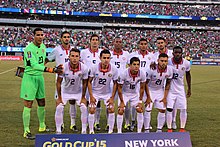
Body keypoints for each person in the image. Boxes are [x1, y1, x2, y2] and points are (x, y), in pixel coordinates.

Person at [20, 28, 63, 139]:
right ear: (33, 36)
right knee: (28, 103)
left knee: (42, 102)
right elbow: (33, 65)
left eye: (41, 35)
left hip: (39, 78)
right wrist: (50, 70)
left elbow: (43, 61)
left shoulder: (43, 47)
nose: (40, 37)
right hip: (30, 78)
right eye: (38, 35)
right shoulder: (28, 49)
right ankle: (26, 131)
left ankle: (42, 126)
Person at [46, 31, 78, 132]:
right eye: (64, 37)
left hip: (73, 80)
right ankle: (61, 124)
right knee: (60, 102)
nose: (66, 39)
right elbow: (47, 59)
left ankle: (73, 124)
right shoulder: (56, 50)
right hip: (60, 80)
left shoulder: (73, 50)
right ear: (61, 39)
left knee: (72, 101)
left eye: (68, 37)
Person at [55, 48, 88, 134]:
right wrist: (59, 97)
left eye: (76, 56)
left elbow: (85, 83)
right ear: (69, 57)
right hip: (65, 91)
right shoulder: (63, 67)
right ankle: (58, 130)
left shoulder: (84, 68)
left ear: (79, 57)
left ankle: (84, 130)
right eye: (72, 56)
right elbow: (58, 83)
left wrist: (83, 97)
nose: (74, 58)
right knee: (59, 107)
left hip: (78, 92)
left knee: (84, 108)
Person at [88, 49, 118, 134]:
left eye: (108, 58)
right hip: (95, 93)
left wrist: (112, 97)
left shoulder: (114, 69)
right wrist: (91, 96)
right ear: (100, 58)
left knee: (111, 109)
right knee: (92, 109)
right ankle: (91, 130)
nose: (106, 60)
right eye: (104, 58)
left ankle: (110, 131)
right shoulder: (94, 68)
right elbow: (89, 82)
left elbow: (115, 83)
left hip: (107, 93)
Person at [129, 38, 154, 130]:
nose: (143, 45)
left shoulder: (151, 56)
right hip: (135, 81)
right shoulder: (133, 55)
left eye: (145, 44)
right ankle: (133, 121)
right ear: (139, 45)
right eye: (141, 44)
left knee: (147, 101)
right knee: (135, 102)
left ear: (147, 45)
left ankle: (147, 123)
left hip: (147, 82)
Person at [144, 53, 173, 133]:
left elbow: (168, 83)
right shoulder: (151, 69)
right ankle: (146, 129)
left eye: (165, 61)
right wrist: (148, 97)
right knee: (148, 109)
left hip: (160, 90)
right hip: (150, 90)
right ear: (158, 61)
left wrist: (164, 97)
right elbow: (145, 83)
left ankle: (159, 129)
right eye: (162, 61)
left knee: (162, 109)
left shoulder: (170, 70)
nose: (163, 63)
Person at [166, 46, 191, 132]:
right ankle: (169, 128)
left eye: (179, 53)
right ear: (173, 53)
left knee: (183, 108)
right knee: (169, 108)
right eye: (176, 52)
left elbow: (188, 75)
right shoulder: (168, 62)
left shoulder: (186, 63)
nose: (177, 54)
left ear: (181, 54)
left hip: (180, 88)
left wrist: (189, 88)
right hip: (170, 89)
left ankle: (182, 128)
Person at [117, 57, 145, 133]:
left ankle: (139, 132)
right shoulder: (123, 73)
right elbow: (119, 88)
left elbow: (142, 87)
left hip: (134, 94)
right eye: (134, 64)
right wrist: (122, 101)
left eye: (138, 64)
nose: (136, 66)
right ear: (129, 65)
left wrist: (140, 101)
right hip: (124, 94)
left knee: (139, 109)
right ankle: (119, 132)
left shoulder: (142, 73)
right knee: (120, 110)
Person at [80, 34, 102, 131]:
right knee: (87, 102)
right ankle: (88, 122)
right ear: (90, 41)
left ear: (99, 42)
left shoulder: (101, 52)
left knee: (98, 102)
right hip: (86, 80)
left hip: (98, 81)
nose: (94, 41)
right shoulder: (83, 52)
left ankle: (96, 122)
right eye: (93, 39)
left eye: (96, 40)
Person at [110, 36, 131, 131]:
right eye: (116, 41)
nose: (118, 43)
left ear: (122, 43)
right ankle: (109, 123)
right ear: (113, 43)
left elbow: (131, 65)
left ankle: (127, 122)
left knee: (125, 103)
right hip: (112, 82)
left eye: (119, 42)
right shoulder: (110, 54)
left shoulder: (126, 54)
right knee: (110, 103)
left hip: (124, 83)